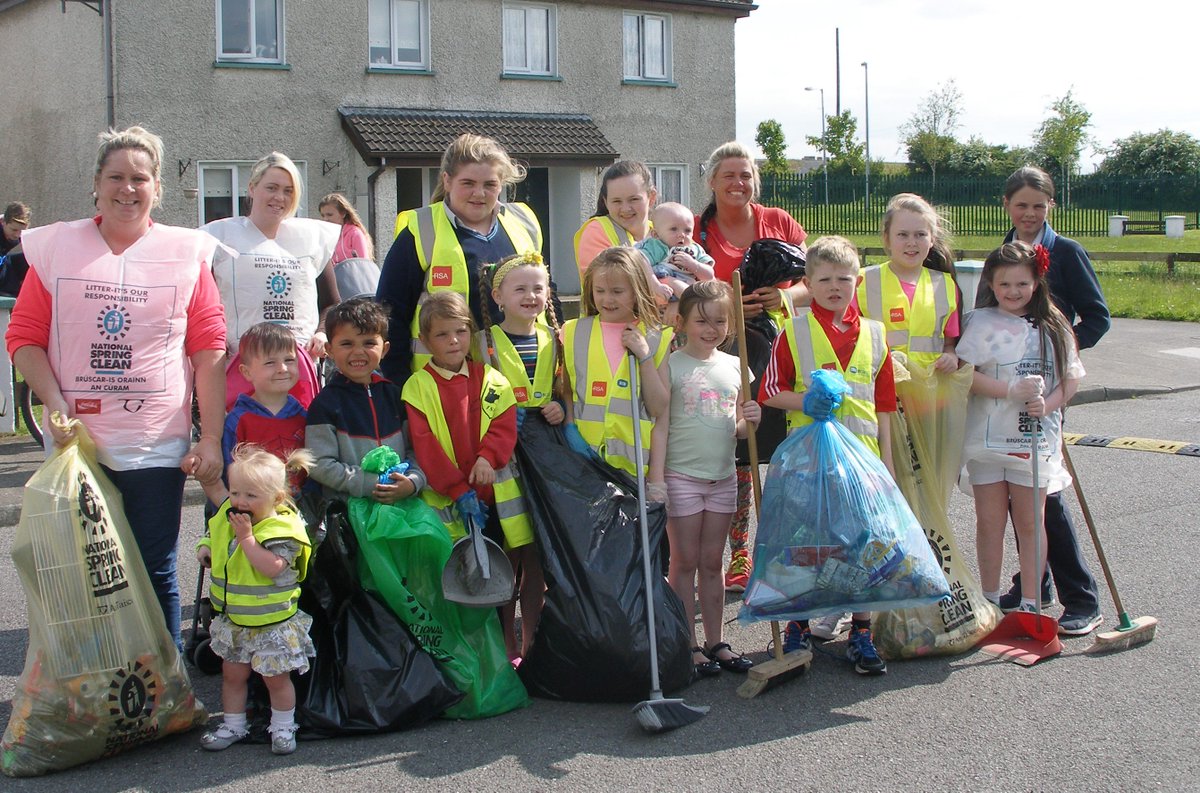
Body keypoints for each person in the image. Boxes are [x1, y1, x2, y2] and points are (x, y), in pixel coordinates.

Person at [5, 126, 226, 649]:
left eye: (140, 179)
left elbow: (209, 348)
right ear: (96, 184)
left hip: (155, 446)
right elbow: (24, 338)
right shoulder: (57, 247)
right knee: (82, 577)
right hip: (77, 445)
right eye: (117, 177)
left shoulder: (186, 254)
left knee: (154, 570)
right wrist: (54, 404)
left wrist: (211, 435)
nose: (128, 189)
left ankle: (163, 697)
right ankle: (95, 696)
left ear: (157, 189)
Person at [977, 165, 1109, 636]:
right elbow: (983, 314)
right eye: (1020, 205)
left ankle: (1081, 597)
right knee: (1011, 496)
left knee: (1044, 497)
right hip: (1000, 398)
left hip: (1046, 391)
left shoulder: (1066, 252)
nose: (1029, 213)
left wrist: (1056, 354)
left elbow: (1097, 318)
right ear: (1007, 206)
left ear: (1051, 205)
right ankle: (1035, 584)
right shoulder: (1001, 255)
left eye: (1038, 205)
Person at [759, 235, 896, 675]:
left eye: (844, 279)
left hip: (863, 461)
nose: (835, 287)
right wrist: (804, 403)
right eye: (824, 280)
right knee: (807, 544)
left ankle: (860, 630)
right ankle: (799, 622)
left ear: (857, 281)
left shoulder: (875, 335)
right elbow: (770, 391)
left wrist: (888, 464)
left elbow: (886, 404)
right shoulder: (794, 331)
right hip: (809, 464)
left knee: (861, 547)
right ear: (808, 283)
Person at [695, 141, 809, 593]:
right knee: (737, 454)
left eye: (745, 175)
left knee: (780, 454)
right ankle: (739, 553)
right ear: (712, 181)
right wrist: (724, 300)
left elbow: (819, 274)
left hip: (781, 351)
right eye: (729, 175)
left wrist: (786, 296)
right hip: (724, 353)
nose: (738, 183)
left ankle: (781, 549)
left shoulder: (777, 221)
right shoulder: (698, 232)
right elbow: (680, 287)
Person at [958, 241, 1084, 617]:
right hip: (987, 437)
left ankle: (1032, 602)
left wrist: (1049, 404)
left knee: (1031, 522)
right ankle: (991, 598)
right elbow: (967, 377)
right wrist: (1010, 390)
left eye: (1022, 285)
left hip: (1034, 440)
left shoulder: (1054, 324)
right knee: (989, 522)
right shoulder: (979, 322)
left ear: (1037, 282)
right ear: (991, 285)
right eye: (1004, 285)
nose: (1013, 293)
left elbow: (1072, 377)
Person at [402, 292, 533, 649]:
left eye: (460, 331)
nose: (453, 341)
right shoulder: (417, 386)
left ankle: (505, 649)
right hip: (451, 504)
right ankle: (468, 656)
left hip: (494, 504)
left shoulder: (490, 378)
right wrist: (459, 490)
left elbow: (505, 425)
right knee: (459, 586)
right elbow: (425, 446)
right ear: (426, 341)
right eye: (442, 335)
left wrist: (488, 458)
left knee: (500, 580)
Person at [378, 133, 544, 386]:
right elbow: (390, 313)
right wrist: (398, 385)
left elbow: (546, 293)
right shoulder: (421, 229)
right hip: (442, 383)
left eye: (489, 184)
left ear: (501, 185)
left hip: (520, 380)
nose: (479, 193)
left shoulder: (523, 221)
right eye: (468, 183)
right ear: (447, 180)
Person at [661, 280, 759, 678]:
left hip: (722, 476)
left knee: (712, 563)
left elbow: (739, 424)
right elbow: (659, 422)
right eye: (701, 320)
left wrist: (748, 422)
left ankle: (716, 641)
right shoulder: (668, 365)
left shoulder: (736, 366)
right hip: (680, 475)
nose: (711, 328)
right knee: (683, 562)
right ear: (682, 321)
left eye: (720, 321)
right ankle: (685, 642)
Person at [196, 444, 316, 756]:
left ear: (276, 498)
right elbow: (214, 532)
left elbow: (273, 568)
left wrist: (247, 540)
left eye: (251, 496)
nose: (239, 502)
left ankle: (283, 726)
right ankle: (234, 724)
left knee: (276, 679)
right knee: (232, 675)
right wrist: (206, 547)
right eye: (236, 493)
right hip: (234, 619)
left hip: (271, 622)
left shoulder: (282, 527)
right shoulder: (230, 514)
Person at [202, 152, 340, 410]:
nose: (280, 197)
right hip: (238, 368)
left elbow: (331, 303)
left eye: (288, 191)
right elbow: (203, 306)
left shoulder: (310, 239)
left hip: (295, 368)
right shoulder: (220, 237)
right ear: (252, 188)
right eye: (272, 188)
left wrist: (322, 332)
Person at [476, 252, 558, 660]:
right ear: (498, 296)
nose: (530, 296)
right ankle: (506, 643)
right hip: (504, 456)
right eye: (520, 289)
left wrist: (561, 405)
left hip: (545, 456)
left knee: (538, 558)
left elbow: (567, 391)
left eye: (538, 288)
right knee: (509, 553)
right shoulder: (482, 342)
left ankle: (535, 645)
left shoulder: (556, 340)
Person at [561, 247, 672, 480]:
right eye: (599, 291)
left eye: (617, 291)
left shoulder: (654, 337)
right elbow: (566, 389)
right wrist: (569, 425)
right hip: (582, 459)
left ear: (637, 291)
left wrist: (645, 359)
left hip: (631, 466)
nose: (607, 299)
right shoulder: (572, 332)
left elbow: (659, 408)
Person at [305, 298, 426, 504]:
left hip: (401, 507)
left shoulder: (396, 396)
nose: (358, 351)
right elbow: (319, 464)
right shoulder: (324, 405)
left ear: (385, 349)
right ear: (330, 350)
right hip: (348, 513)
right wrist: (370, 483)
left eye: (369, 343)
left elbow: (416, 449)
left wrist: (414, 480)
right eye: (346, 343)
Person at [193, 323, 309, 507]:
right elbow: (226, 476)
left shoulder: (305, 417)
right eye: (270, 362)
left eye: (289, 360)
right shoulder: (237, 420)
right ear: (246, 372)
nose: (282, 369)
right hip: (250, 515)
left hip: (299, 511)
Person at [858, 193, 960, 371]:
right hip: (881, 390)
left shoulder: (945, 285)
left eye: (920, 235)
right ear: (887, 238)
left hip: (928, 391)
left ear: (932, 239)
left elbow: (949, 344)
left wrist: (950, 357)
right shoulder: (862, 282)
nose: (911, 242)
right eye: (902, 235)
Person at [573, 160, 656, 278]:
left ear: (651, 197)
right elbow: (613, 284)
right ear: (605, 202)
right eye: (617, 201)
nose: (626, 208)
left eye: (634, 199)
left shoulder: (667, 230)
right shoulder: (596, 230)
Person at [635, 201, 716, 302]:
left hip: (692, 288)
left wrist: (694, 265)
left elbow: (709, 276)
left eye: (687, 230)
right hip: (664, 288)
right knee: (680, 287)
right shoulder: (657, 246)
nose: (682, 234)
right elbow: (642, 263)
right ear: (655, 234)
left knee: (714, 291)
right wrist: (656, 285)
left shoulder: (695, 249)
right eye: (674, 229)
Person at [0, 201, 31, 296]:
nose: (17, 235)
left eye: (22, 231)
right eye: (14, 230)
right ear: (3, 223)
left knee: (31, 259)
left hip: (5, 264)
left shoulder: (19, 233)